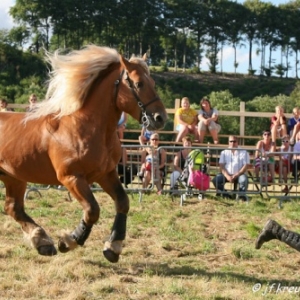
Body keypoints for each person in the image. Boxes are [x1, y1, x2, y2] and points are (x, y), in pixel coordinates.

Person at [212, 135, 250, 200]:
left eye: (234, 141)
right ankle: (225, 194)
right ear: (228, 142)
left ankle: (241, 196)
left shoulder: (244, 152)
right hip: (226, 174)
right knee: (215, 180)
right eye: (231, 141)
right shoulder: (224, 152)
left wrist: (237, 174)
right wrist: (227, 176)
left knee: (244, 180)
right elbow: (221, 166)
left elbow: (245, 166)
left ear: (237, 142)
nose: (232, 143)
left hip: (239, 174)